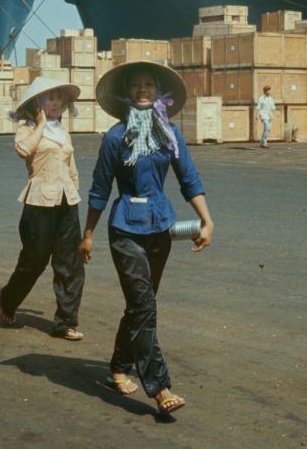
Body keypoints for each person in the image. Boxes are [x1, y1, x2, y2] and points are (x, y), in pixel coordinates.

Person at [81, 61, 214, 416]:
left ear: (158, 92)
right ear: (126, 92)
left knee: (142, 304)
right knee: (144, 306)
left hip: (161, 229)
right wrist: (88, 235)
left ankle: (118, 366)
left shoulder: (169, 134)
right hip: (125, 230)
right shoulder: (115, 137)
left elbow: (189, 178)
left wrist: (206, 219)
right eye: (136, 85)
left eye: (149, 85)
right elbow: (99, 189)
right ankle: (159, 386)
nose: (143, 89)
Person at [0, 77, 86, 341]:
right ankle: (8, 299)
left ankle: (65, 322)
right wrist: (41, 125)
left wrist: (75, 191)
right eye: (50, 98)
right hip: (39, 203)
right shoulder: (27, 129)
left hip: (67, 202)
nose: (57, 102)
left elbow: (71, 166)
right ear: (37, 103)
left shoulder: (64, 132)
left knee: (70, 263)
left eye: (60, 97)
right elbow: (23, 150)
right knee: (34, 261)